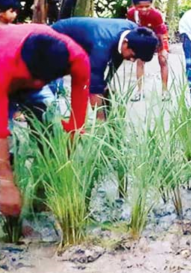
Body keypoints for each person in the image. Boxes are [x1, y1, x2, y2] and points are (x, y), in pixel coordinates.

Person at [0, 24, 90, 217]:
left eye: (43, 81)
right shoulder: (4, 61)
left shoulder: (76, 56)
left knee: (52, 131)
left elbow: (77, 117)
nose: (38, 85)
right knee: (8, 148)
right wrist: (5, 182)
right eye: (35, 80)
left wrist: (62, 155)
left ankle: (40, 199)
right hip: (6, 75)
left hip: (26, 73)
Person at [52, 17, 159, 120]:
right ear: (125, 43)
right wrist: (101, 122)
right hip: (53, 41)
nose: (132, 60)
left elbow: (117, 57)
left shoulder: (134, 31)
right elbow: (93, 88)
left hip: (79, 45)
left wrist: (106, 82)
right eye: (133, 56)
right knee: (48, 94)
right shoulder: (101, 47)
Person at [127, 0, 170, 102]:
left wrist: (163, 49)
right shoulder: (131, 14)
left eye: (147, 6)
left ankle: (165, 91)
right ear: (134, 5)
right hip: (143, 38)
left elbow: (161, 34)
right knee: (140, 61)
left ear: (152, 4)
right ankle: (139, 91)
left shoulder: (156, 15)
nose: (144, 9)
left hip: (158, 37)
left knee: (163, 60)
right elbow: (131, 30)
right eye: (140, 7)